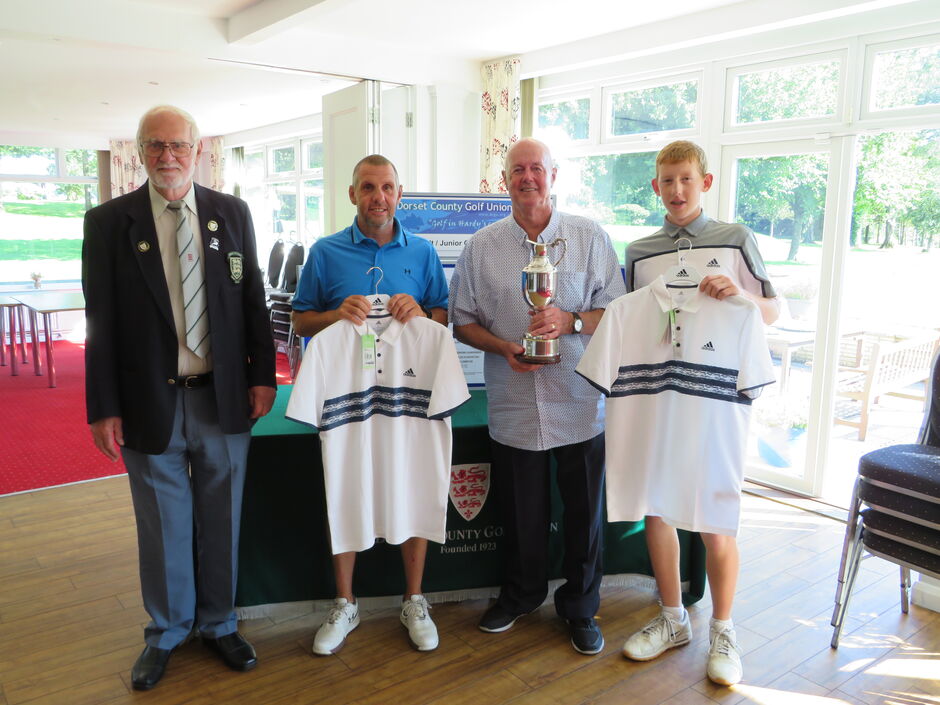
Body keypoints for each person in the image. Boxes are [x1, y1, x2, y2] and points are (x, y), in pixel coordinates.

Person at [82, 105, 276, 690]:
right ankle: (166, 631)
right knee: (163, 523)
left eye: (179, 145)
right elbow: (101, 322)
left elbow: (252, 303)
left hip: (221, 397)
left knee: (222, 517)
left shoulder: (231, 213)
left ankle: (219, 623)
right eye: (155, 145)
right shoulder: (109, 222)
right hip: (149, 400)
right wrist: (102, 405)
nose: (168, 156)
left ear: (198, 150)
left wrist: (262, 376)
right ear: (140, 151)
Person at [449, 138, 626, 655]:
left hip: (579, 400)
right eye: (517, 170)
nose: (528, 178)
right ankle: (522, 595)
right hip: (513, 404)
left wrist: (570, 320)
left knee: (583, 515)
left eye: (536, 169)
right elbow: (461, 322)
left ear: (554, 175)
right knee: (521, 515)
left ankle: (581, 607)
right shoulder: (482, 246)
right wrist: (504, 346)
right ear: (504, 180)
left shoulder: (590, 238)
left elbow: (614, 311)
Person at [620, 140, 780, 686]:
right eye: (667, 180)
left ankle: (724, 629)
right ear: (655, 186)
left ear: (705, 182)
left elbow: (773, 311)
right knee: (658, 508)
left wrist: (740, 294)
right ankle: (672, 619)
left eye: (686, 179)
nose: (677, 190)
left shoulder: (735, 239)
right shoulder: (639, 251)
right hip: (658, 398)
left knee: (716, 513)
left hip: (718, 400)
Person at [291, 154, 449, 655]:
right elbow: (300, 322)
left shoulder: (422, 253)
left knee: (415, 481)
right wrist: (336, 314)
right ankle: (345, 602)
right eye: (367, 187)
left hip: (407, 402)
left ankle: (415, 598)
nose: (378, 197)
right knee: (346, 485)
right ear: (351, 194)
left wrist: (421, 311)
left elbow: (442, 319)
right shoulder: (325, 251)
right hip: (349, 403)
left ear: (400, 194)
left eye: (386, 188)